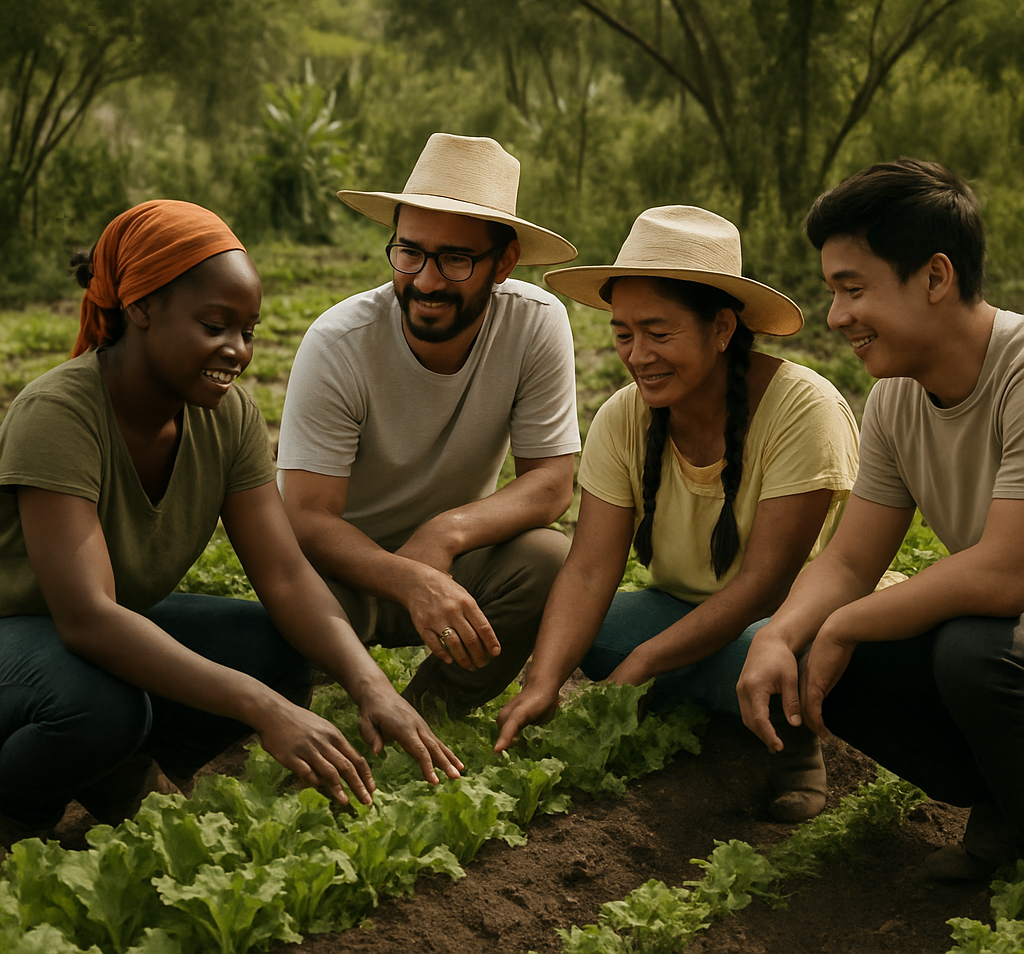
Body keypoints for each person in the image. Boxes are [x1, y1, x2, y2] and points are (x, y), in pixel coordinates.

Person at [0, 200, 462, 852]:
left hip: (87, 641)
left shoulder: (226, 415)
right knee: (102, 705)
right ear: (141, 308)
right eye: (215, 326)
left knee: (275, 646)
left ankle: (120, 774)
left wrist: (373, 687)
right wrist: (263, 708)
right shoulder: (60, 413)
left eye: (248, 330)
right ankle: (17, 812)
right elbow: (88, 619)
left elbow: (285, 573)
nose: (237, 351)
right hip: (16, 642)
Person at [495, 206, 860, 822]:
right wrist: (542, 682)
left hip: (790, 628)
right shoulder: (624, 417)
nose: (638, 356)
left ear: (722, 328)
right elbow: (586, 571)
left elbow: (764, 584)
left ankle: (794, 746)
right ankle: (711, 693)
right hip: (684, 613)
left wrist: (647, 661)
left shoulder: (802, 409)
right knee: (596, 629)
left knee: (775, 660)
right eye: (623, 334)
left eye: (659, 334)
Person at [736, 158, 1024, 879]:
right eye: (833, 291)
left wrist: (846, 622)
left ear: (935, 277)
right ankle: (1005, 810)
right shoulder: (899, 395)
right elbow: (849, 562)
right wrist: (779, 635)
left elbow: (1005, 572)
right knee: (806, 652)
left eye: (853, 289)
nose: (836, 318)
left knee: (971, 652)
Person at [277, 133, 581, 715]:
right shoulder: (339, 343)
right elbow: (306, 517)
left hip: (457, 566)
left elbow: (552, 483)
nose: (426, 280)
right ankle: (321, 680)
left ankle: (429, 711)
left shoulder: (536, 325)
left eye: (456, 259)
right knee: (272, 620)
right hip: (343, 575)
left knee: (547, 560)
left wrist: (445, 534)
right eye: (409, 251)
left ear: (505, 263)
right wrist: (405, 579)